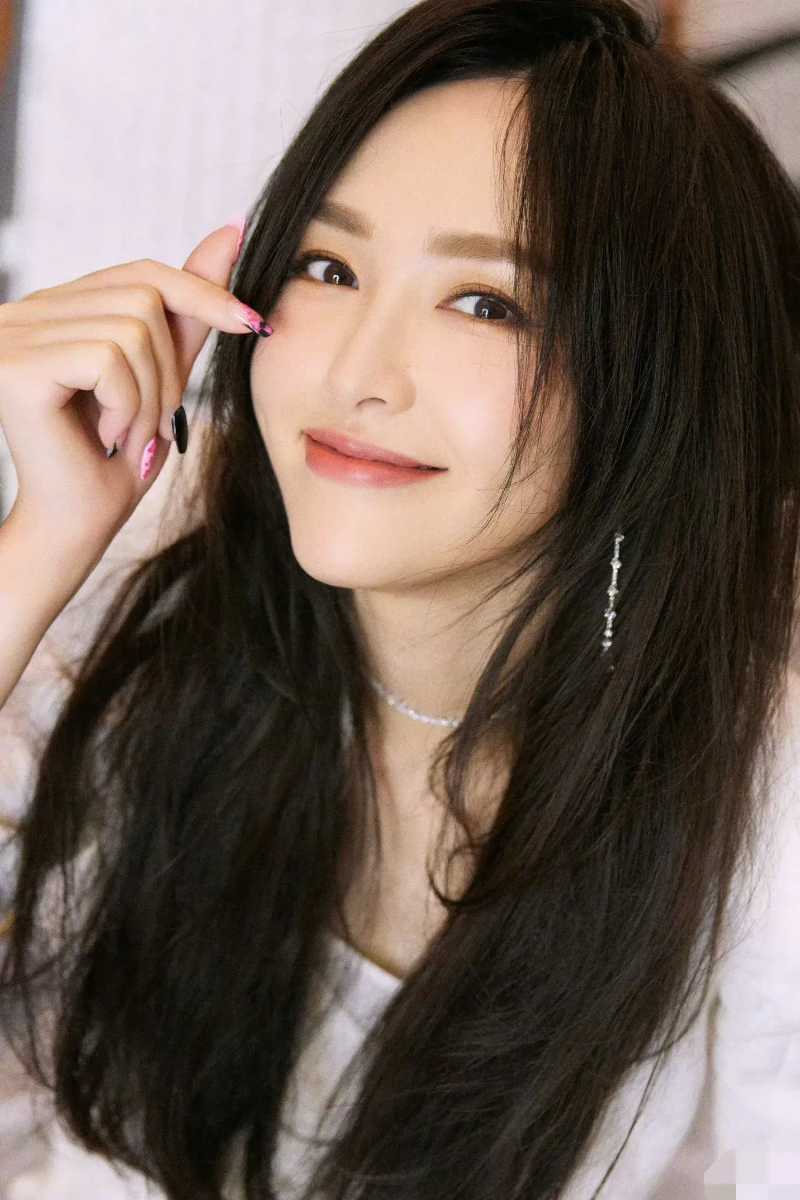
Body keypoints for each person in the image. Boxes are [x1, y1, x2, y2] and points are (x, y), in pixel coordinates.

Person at [0, 0, 799, 1196]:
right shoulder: (154, 560)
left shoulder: (762, 799)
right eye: (328, 268)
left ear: (657, 384)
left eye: (485, 302)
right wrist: (35, 547)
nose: (355, 372)